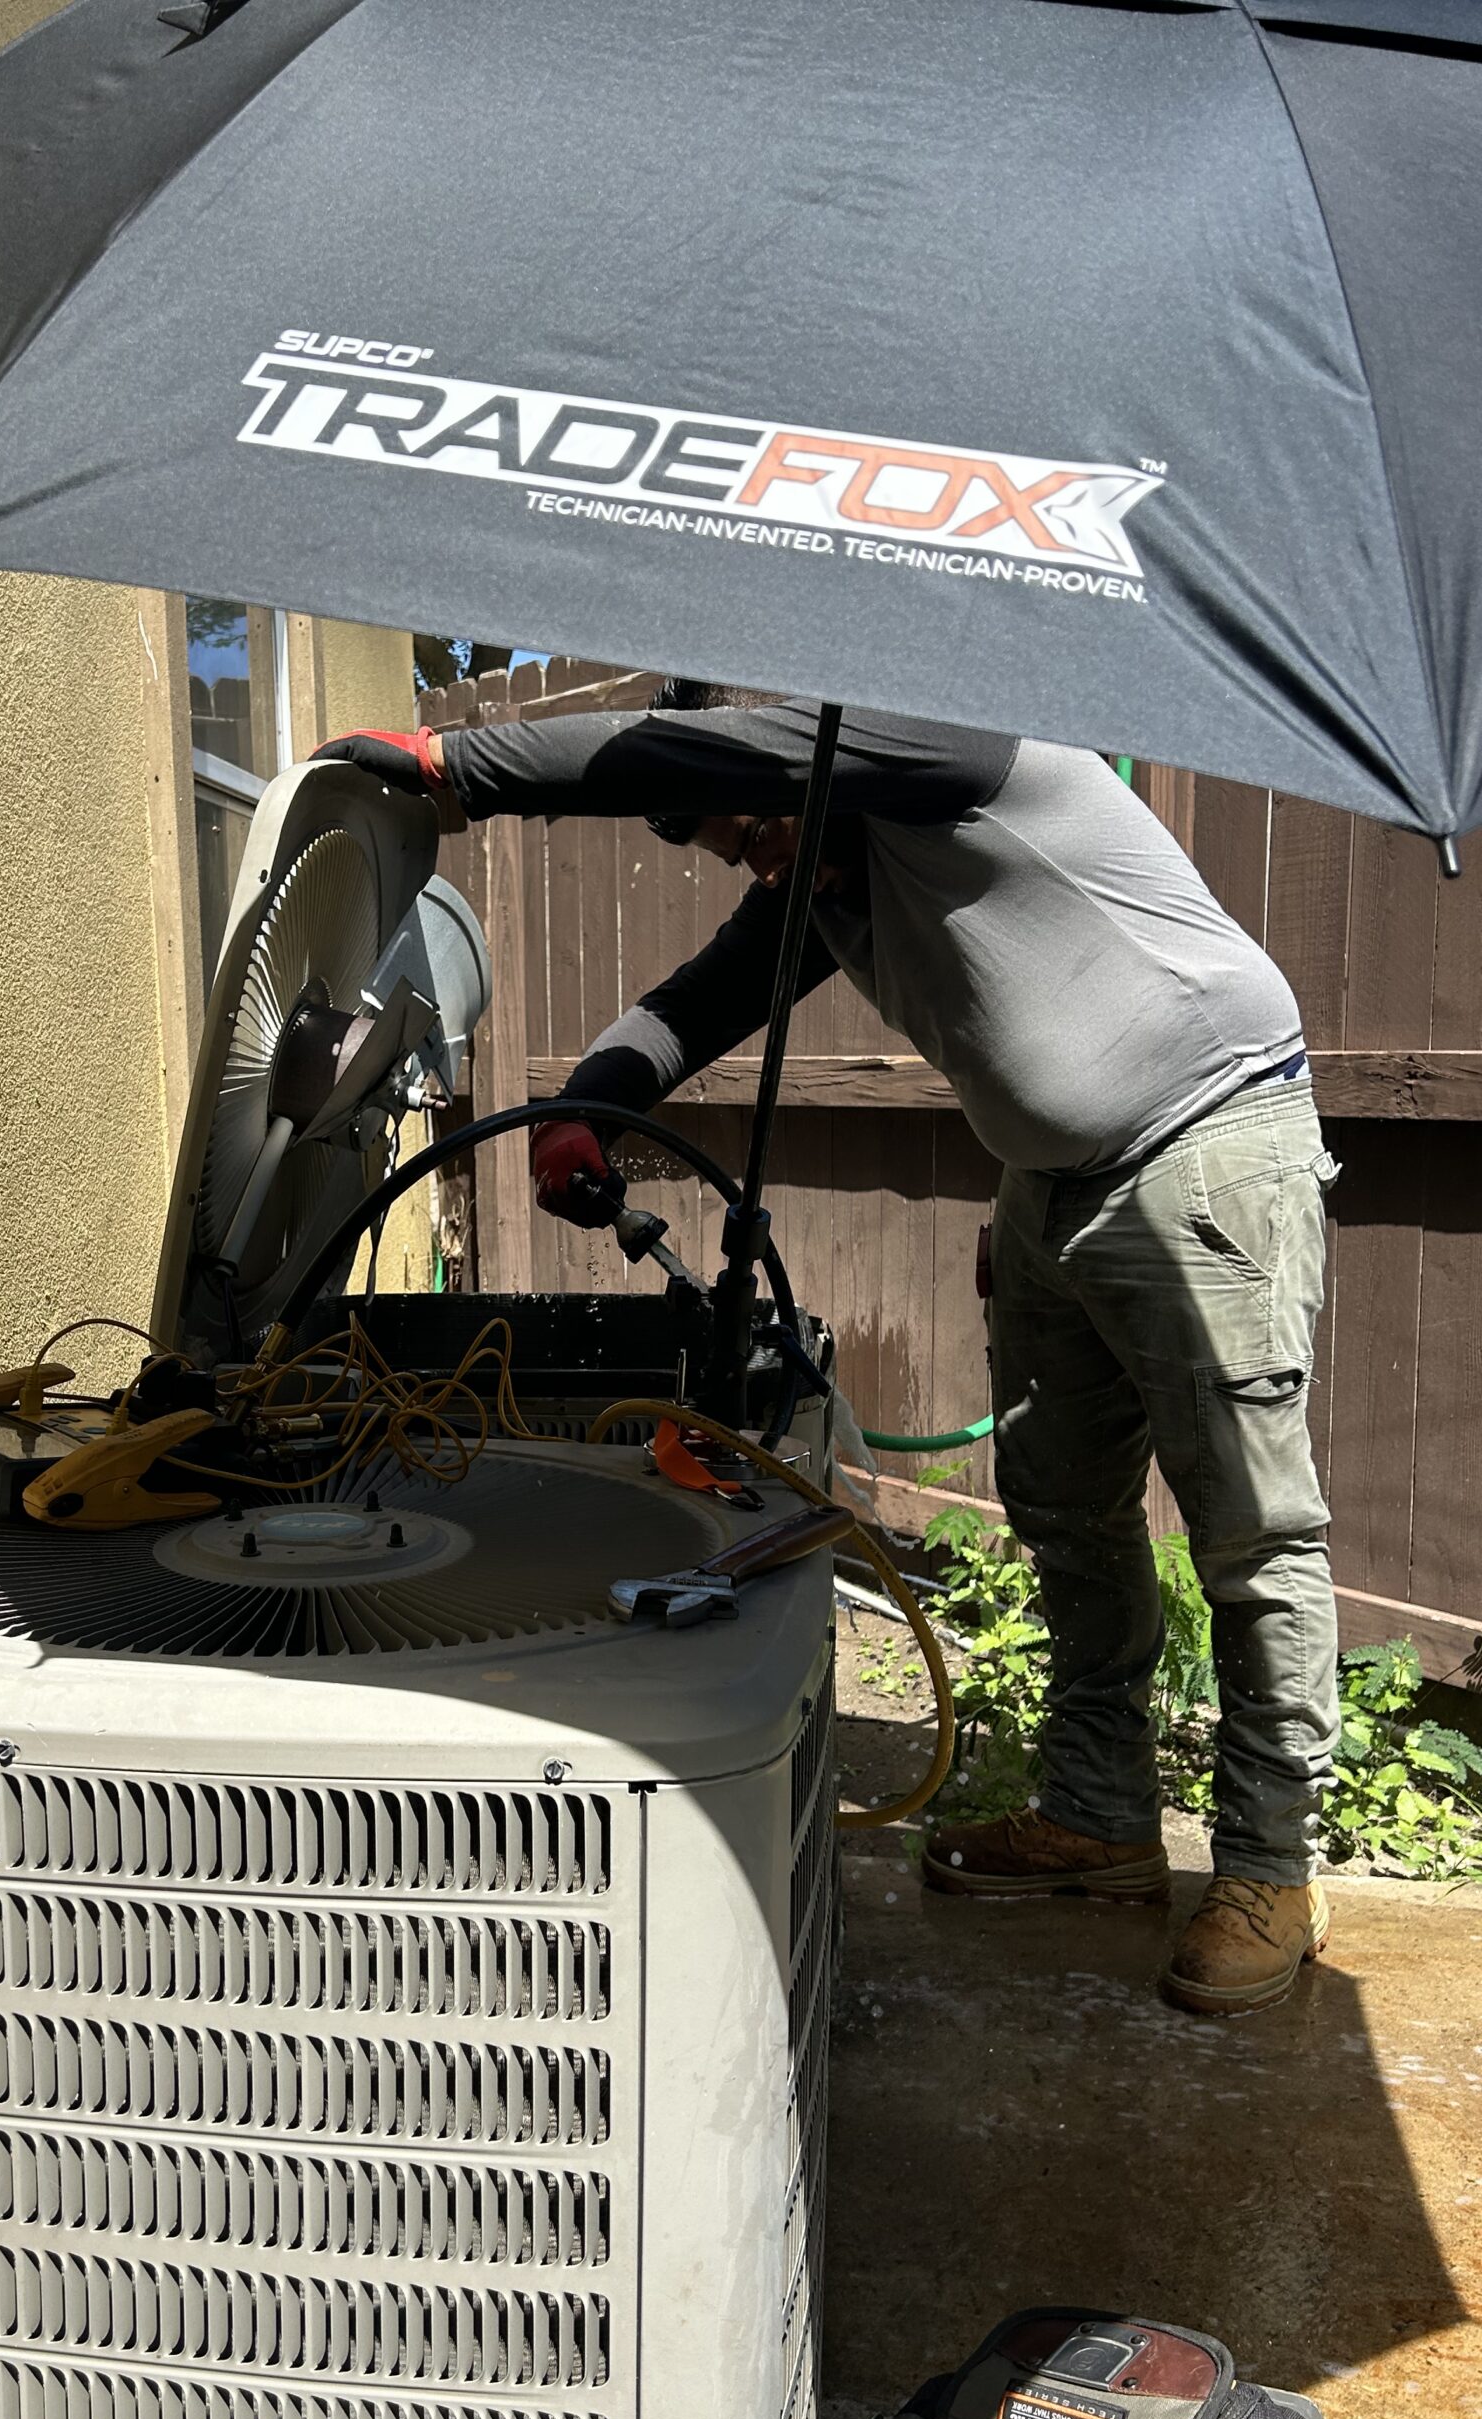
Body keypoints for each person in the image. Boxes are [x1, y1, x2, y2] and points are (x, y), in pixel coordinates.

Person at [314, 688, 1342, 2018]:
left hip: (1207, 1142)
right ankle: (1100, 1816)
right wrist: (585, 1109)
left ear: (795, 753)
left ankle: (1271, 1866)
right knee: (1066, 1508)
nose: (757, 861)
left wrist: (459, 766)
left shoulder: (946, 741)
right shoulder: (821, 874)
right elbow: (694, 1004)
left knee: (1252, 1530)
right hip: (1054, 1185)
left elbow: (672, 751)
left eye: (755, 827)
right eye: (730, 851)